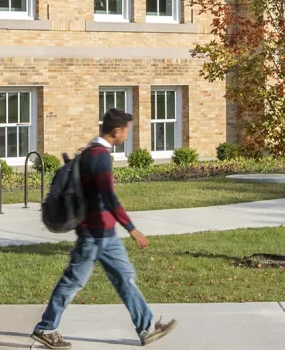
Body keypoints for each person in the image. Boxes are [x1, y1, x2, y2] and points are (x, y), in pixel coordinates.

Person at [31, 109, 178, 348]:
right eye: (126, 132)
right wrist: (131, 228)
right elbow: (108, 196)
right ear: (116, 131)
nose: (127, 137)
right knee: (73, 281)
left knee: (125, 278)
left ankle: (146, 328)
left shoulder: (91, 152)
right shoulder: (99, 156)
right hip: (94, 234)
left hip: (105, 234)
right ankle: (46, 328)